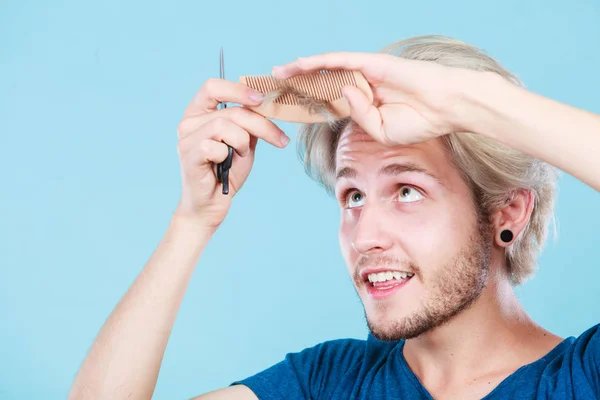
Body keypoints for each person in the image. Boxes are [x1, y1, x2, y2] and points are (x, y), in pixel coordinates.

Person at [67, 36, 600, 399]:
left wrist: (465, 101)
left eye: (407, 190)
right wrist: (192, 221)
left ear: (507, 210)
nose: (365, 236)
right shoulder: (328, 382)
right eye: (352, 197)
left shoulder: (582, 378)